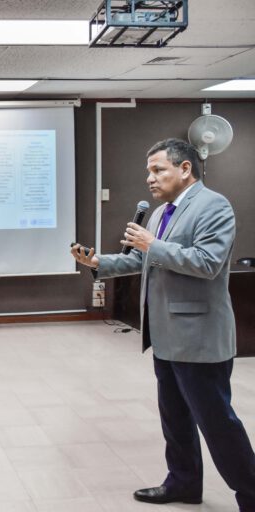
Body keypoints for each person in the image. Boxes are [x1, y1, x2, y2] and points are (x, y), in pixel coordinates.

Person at [71, 138, 255, 509]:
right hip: (166, 335)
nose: (150, 179)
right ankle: (184, 483)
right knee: (175, 419)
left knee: (217, 424)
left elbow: (207, 262)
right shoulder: (160, 213)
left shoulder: (213, 205)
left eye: (158, 170)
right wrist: (98, 263)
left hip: (200, 338)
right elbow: (144, 261)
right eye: (149, 172)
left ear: (185, 168)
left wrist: (152, 245)